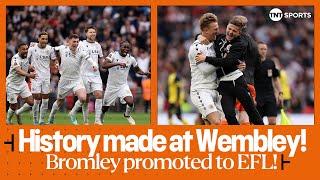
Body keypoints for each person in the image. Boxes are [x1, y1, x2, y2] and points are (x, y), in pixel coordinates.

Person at [195, 15, 264, 125]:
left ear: (239, 33)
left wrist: (206, 58)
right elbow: (204, 35)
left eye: (235, 31)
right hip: (223, 84)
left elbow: (227, 62)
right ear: (226, 26)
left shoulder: (239, 44)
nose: (230, 32)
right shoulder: (219, 38)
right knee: (229, 114)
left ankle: (266, 134)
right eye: (229, 28)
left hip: (237, 80)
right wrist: (199, 37)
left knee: (251, 110)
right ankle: (236, 137)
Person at [47, 34, 98, 125]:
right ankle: (51, 118)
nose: (76, 43)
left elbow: (89, 59)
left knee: (83, 98)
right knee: (60, 100)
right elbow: (51, 49)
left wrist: (94, 64)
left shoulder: (81, 51)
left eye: (77, 41)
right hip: (64, 80)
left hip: (77, 79)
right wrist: (55, 60)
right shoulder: (62, 48)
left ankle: (72, 113)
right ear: (69, 42)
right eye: (74, 41)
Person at [101, 41, 150, 125]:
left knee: (130, 102)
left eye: (128, 48)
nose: (126, 49)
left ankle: (127, 115)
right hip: (111, 86)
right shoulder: (113, 55)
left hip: (123, 85)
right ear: (120, 47)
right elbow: (104, 65)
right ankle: (101, 118)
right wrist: (117, 63)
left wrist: (145, 73)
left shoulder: (131, 59)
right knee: (105, 107)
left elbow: (137, 70)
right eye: (124, 47)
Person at [188, 13, 223, 125]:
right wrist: (224, 62)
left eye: (217, 28)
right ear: (206, 30)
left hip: (215, 90)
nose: (217, 31)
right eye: (215, 29)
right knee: (216, 123)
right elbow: (205, 70)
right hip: (201, 90)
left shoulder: (214, 44)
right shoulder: (196, 47)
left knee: (210, 123)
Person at [69, 26, 104, 125]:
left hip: (95, 74)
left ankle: (97, 120)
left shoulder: (98, 45)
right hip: (83, 74)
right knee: (85, 98)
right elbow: (71, 50)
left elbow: (101, 58)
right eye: (90, 32)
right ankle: (85, 121)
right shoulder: (81, 44)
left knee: (99, 95)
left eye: (94, 32)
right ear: (86, 33)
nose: (93, 34)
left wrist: (103, 65)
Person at [28, 32, 57, 125]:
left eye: (46, 39)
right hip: (35, 76)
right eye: (43, 39)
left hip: (46, 77)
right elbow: (25, 60)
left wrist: (54, 66)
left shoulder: (50, 49)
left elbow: (53, 60)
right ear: (39, 39)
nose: (45, 41)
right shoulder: (32, 48)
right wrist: (30, 68)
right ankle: (35, 121)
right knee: (37, 98)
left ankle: (41, 121)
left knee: (45, 100)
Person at [6, 43, 36, 125]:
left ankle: (18, 112)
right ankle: (8, 121)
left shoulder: (25, 56)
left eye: (26, 49)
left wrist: (31, 67)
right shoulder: (15, 58)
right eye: (23, 49)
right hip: (12, 85)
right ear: (18, 49)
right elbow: (18, 70)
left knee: (31, 102)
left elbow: (26, 64)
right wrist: (29, 75)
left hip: (22, 83)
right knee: (13, 106)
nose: (26, 50)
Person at [255, 42, 283, 125]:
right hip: (257, 96)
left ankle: (271, 137)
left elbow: (276, 79)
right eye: (261, 49)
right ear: (256, 50)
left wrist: (280, 93)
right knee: (258, 122)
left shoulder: (270, 63)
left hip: (269, 96)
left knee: (272, 121)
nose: (263, 51)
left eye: (265, 49)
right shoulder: (252, 64)